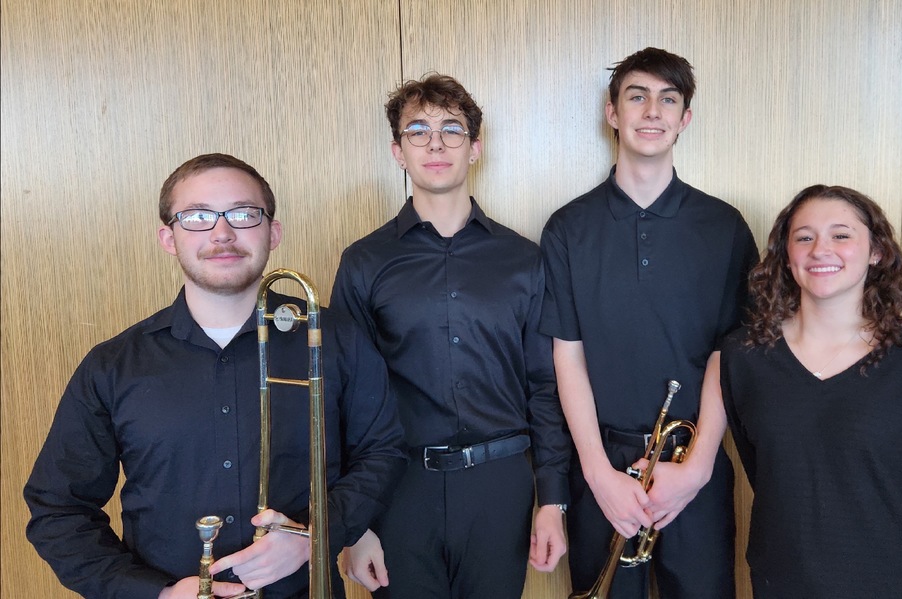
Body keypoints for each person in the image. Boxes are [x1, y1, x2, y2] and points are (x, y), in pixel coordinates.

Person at [23, 153, 407, 599]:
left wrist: (314, 536)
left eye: (244, 214)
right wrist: (155, 594)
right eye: (198, 216)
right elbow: (59, 509)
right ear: (168, 237)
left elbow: (381, 453)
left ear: (273, 231)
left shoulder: (333, 339)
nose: (222, 233)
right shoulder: (112, 365)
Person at [331, 73, 571, 599]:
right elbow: (344, 398)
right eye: (417, 130)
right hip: (397, 490)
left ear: (475, 148)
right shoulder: (363, 262)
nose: (435, 143)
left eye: (451, 129)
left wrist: (552, 500)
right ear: (398, 152)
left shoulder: (525, 260)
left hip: (501, 485)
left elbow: (545, 385)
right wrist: (357, 522)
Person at [539, 48, 758, 597]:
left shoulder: (725, 226)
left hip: (694, 464)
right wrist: (596, 474)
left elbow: (728, 352)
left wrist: (701, 465)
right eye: (637, 96)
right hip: (602, 470)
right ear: (613, 113)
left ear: (685, 118)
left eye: (668, 99)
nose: (652, 111)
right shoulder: (568, 228)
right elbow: (567, 354)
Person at [719, 184, 902, 598]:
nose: (821, 249)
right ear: (786, 254)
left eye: (841, 235)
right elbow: (769, 477)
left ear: (876, 252)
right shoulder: (744, 356)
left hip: (900, 585)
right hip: (782, 585)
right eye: (804, 237)